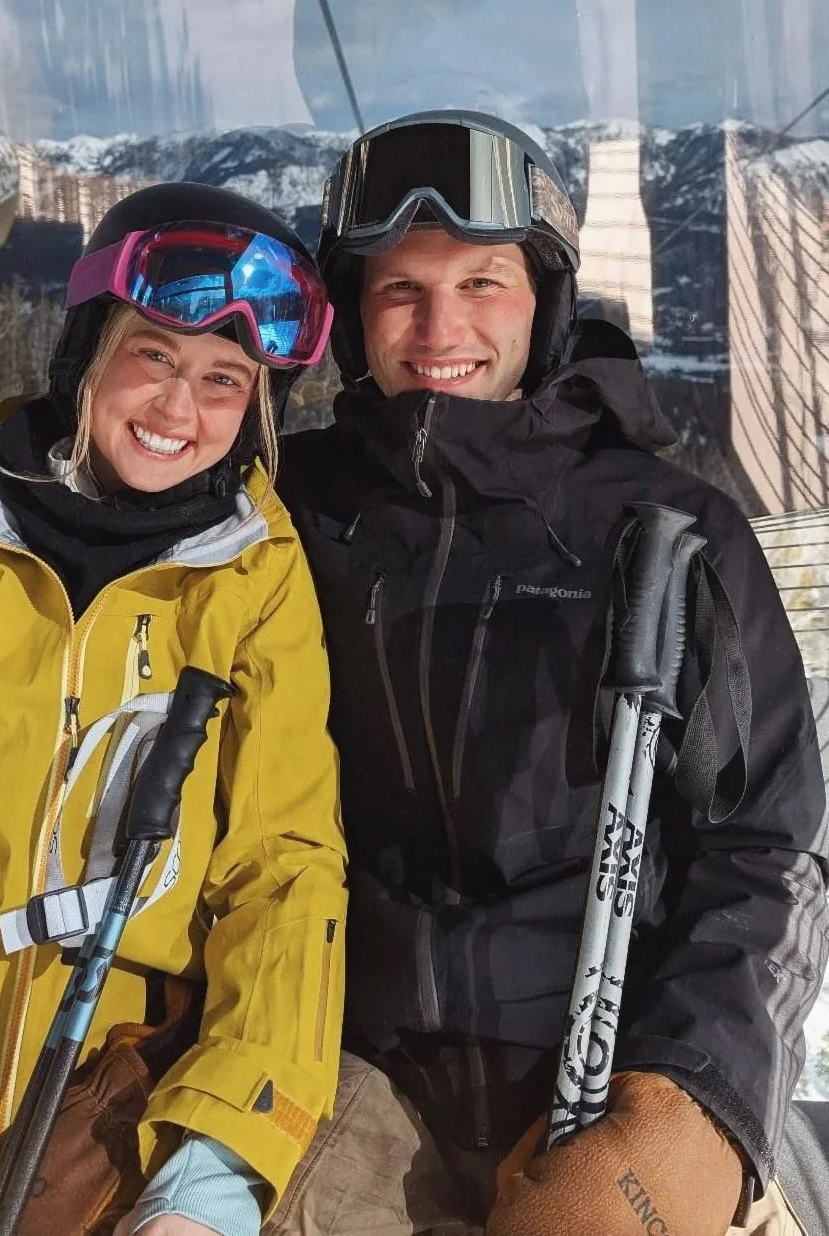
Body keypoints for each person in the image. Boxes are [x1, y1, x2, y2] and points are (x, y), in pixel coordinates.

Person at [276, 111, 829, 1236]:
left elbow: (766, 847)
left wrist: (693, 1099)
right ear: (353, 316)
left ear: (544, 300)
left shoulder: (664, 529)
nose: (440, 327)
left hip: (610, 1050)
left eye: (481, 283)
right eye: (399, 289)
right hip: (354, 1059)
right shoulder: (293, 515)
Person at [0, 184, 347, 1236]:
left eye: (223, 380)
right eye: (153, 356)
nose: (178, 410)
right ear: (88, 350)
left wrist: (214, 1168)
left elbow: (283, 869)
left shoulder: (254, 580)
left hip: (113, 1102)